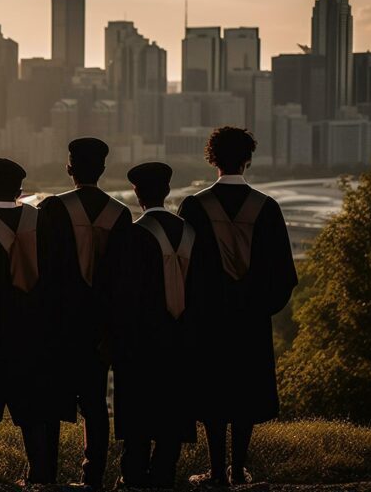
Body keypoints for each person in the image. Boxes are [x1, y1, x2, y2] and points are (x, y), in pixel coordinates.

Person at [178, 127, 297, 487]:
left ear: (212, 158)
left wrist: (194, 309)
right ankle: (238, 468)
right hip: (250, 320)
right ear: (248, 159)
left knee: (212, 391)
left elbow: (183, 267)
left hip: (208, 319)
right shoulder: (268, 208)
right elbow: (285, 275)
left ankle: (215, 471)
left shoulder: (194, 207)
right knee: (245, 392)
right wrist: (262, 308)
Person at [38, 137, 132, 489]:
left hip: (58, 326)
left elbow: (43, 272)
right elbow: (124, 284)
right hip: (100, 329)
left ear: (69, 168)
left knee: (51, 403)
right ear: (103, 170)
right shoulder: (120, 215)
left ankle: (46, 474)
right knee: (94, 403)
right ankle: (92, 474)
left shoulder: (52, 209)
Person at [0, 157, 61, 485]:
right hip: (34, 341)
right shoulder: (43, 223)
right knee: (34, 420)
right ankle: (41, 480)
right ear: (21, 189)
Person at [114, 162, 199, 490]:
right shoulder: (191, 234)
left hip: (142, 341)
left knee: (139, 412)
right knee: (173, 409)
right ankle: (165, 473)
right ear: (167, 192)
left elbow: (123, 294)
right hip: (182, 339)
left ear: (137, 194)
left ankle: (133, 476)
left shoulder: (133, 235)